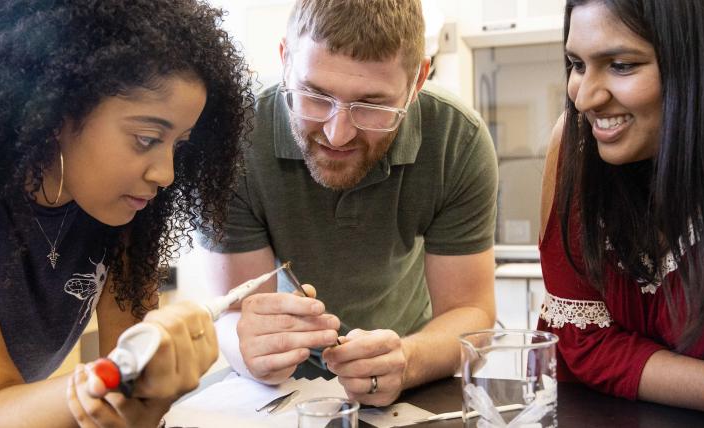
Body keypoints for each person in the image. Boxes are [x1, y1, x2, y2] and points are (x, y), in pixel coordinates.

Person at [0, 0, 253, 427]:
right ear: (55, 110)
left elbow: (128, 403)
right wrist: (107, 383)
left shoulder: (120, 211)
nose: (166, 173)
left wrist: (148, 387)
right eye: (147, 138)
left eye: (179, 144)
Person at [201, 0, 498, 406]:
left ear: (417, 82)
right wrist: (248, 350)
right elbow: (233, 314)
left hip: (410, 379)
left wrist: (406, 362)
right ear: (286, 59)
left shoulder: (456, 140)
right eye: (314, 95)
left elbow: (472, 314)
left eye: (372, 105)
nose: (337, 134)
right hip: (279, 396)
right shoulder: (234, 140)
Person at [537, 0, 704, 418]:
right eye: (576, 64)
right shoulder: (576, 144)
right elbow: (581, 341)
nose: (585, 99)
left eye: (622, 65)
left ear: (703, 62)